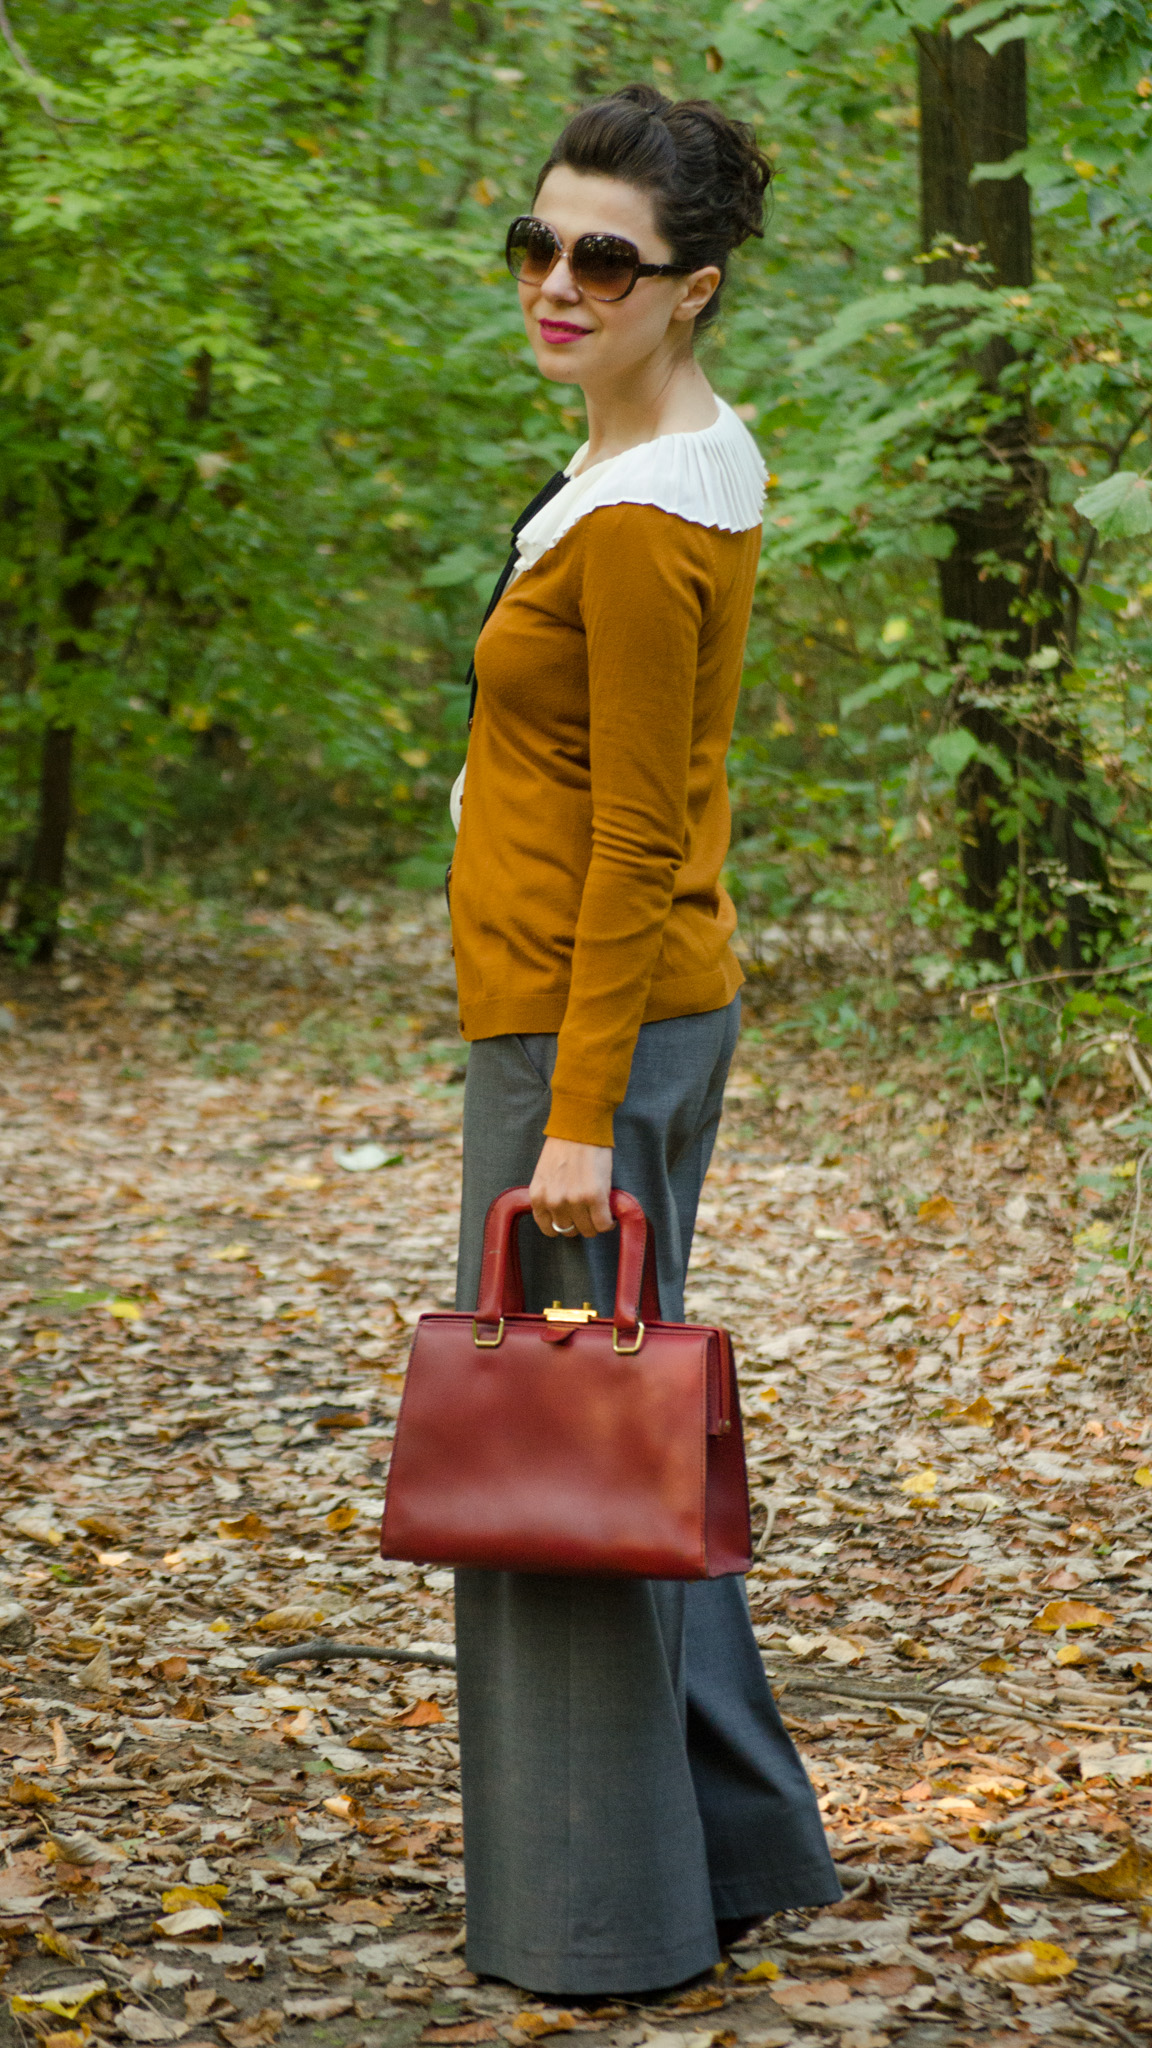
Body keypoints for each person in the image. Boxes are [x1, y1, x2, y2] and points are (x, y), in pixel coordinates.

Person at [446, 82, 840, 1999]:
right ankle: (738, 1847)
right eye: (540, 243)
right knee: (630, 1436)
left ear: (689, 289)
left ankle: (600, 1926)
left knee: (562, 1461)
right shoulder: (635, 460)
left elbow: (638, 829)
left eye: (606, 258)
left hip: (589, 1030)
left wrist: (580, 1114)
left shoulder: (651, 518)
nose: (559, 281)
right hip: (603, 1004)